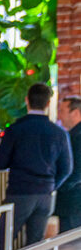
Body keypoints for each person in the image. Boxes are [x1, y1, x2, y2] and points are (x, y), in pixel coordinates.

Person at [0, 82, 73, 250]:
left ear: (26, 100)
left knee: (2, 241)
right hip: (45, 196)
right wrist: (51, 186)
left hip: (20, 192)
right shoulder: (59, 133)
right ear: (48, 103)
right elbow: (67, 168)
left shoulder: (16, 129)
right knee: (35, 248)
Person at [56, 94, 81, 233]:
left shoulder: (78, 136)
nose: (59, 116)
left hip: (74, 200)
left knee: (70, 245)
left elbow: (77, 171)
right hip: (73, 199)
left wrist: (59, 186)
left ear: (76, 112)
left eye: (62, 111)